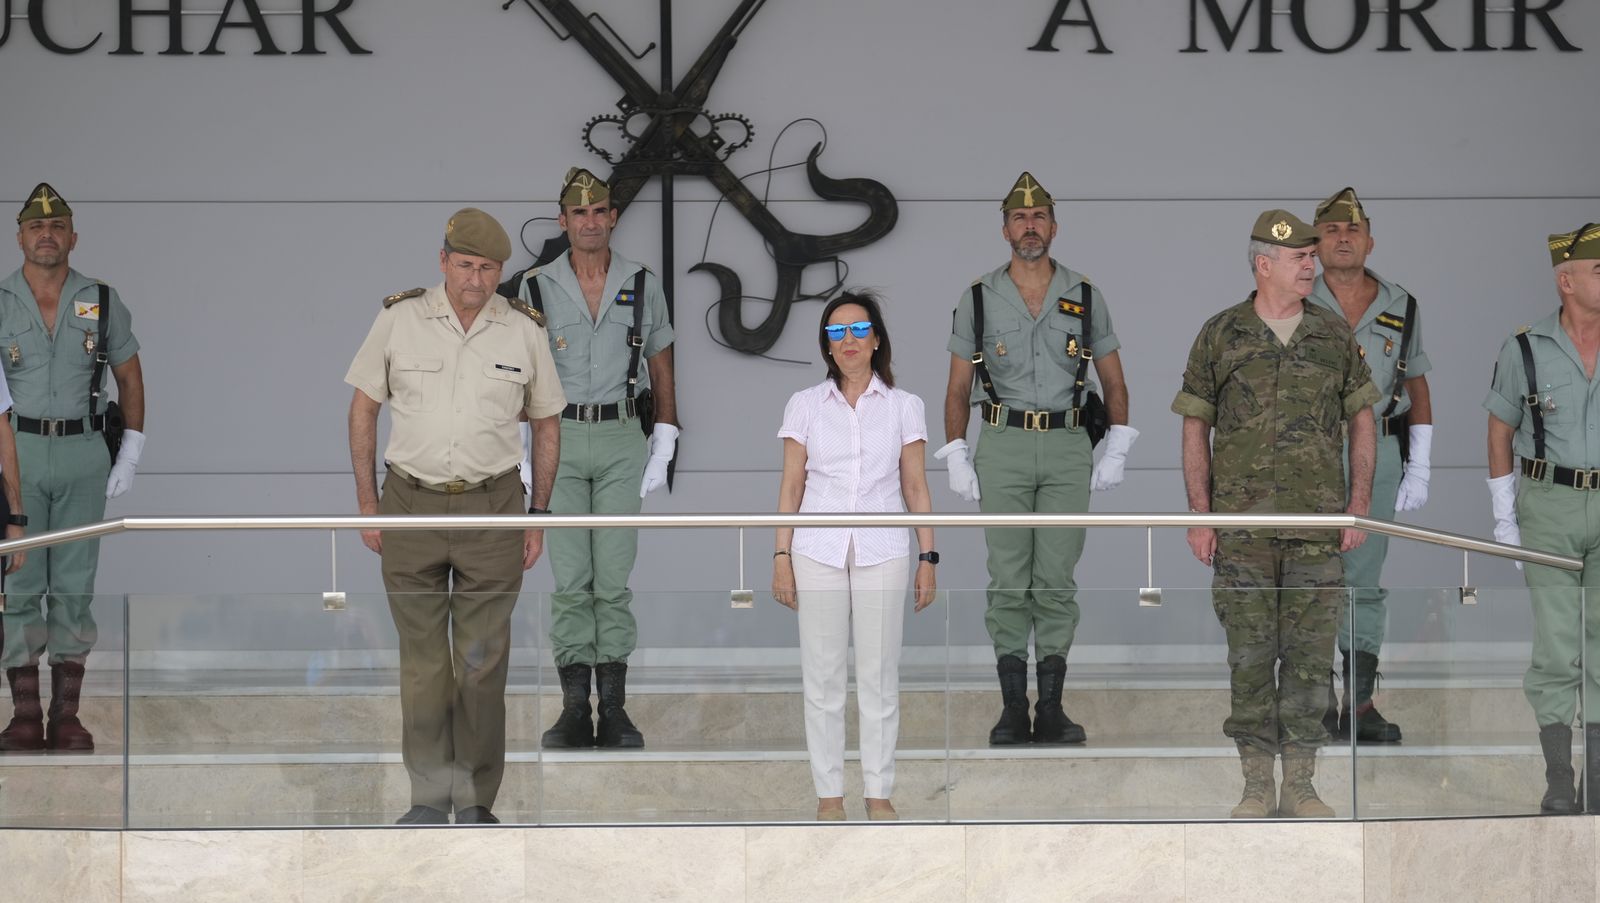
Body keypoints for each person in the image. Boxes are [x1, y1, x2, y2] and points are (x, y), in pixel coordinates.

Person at [345, 208, 564, 825]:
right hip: (408, 503)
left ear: (501, 271)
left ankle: (473, 804)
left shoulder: (522, 330)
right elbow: (362, 412)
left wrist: (538, 514)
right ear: (443, 261)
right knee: (422, 667)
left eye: (488, 268)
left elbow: (546, 423)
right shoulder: (399, 319)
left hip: (493, 508)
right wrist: (368, 505)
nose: (475, 279)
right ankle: (426, 799)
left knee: (480, 665)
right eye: (464, 265)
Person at [1173, 210, 1378, 818]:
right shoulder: (1221, 334)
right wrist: (1200, 515)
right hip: (1244, 533)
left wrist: (1358, 506)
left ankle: (1303, 784)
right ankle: (1257, 784)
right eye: (1300, 258)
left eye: (1312, 256)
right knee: (1251, 660)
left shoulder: (1333, 335)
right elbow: (1195, 426)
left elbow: (1362, 419)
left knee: (1312, 662)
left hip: (1317, 531)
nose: (1312, 265)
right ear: (1265, 264)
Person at [937, 172, 1135, 746]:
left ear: (1054, 226)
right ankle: (1010, 708)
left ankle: (1050, 708)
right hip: (1002, 443)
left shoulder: (1085, 293)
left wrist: (1117, 443)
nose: (1031, 226)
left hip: (1070, 445)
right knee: (1006, 579)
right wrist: (955, 452)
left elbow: (1113, 377)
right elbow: (956, 388)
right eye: (1020, 218)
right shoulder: (978, 296)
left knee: (1055, 578)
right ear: (1005, 230)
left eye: (1040, 217)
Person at [503, 168, 678, 750]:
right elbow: (518, 375)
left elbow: (660, 360)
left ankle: (616, 710)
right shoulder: (532, 287)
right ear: (563, 221)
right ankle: (575, 708)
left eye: (600, 211)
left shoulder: (642, 281)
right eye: (579, 214)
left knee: (615, 577)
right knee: (572, 578)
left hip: (623, 435)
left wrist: (668, 435)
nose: (590, 222)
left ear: (613, 217)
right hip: (558, 437)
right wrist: (520, 447)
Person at [771, 291, 937, 822]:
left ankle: (879, 792)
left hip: (883, 548)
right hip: (815, 548)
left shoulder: (905, 405)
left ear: (877, 338)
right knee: (821, 678)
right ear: (826, 344)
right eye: (836, 332)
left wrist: (928, 556)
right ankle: (828, 795)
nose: (848, 341)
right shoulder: (804, 403)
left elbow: (915, 486)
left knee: (879, 675)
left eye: (858, 329)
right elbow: (791, 484)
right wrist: (780, 554)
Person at [0, 183, 144, 754]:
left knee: (75, 587)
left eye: (57, 226)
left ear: (73, 237)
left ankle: (67, 715)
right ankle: (25, 714)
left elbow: (130, 377)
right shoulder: (0, 299)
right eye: (36, 227)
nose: (46, 235)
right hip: (19, 452)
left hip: (84, 450)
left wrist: (130, 448)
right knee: (19, 582)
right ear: (19, 238)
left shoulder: (102, 299)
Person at [1308, 187, 1433, 744]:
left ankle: (1357, 705)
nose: (1342, 238)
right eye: (1332, 230)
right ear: (1315, 242)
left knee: (1364, 581)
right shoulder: (1294, 295)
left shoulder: (1401, 304)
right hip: (1306, 450)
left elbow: (1416, 381)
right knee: (1310, 577)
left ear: (1369, 240)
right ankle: (1313, 704)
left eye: (1351, 230)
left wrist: (1420, 461)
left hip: (1378, 451)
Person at [1484, 222, 1600, 815]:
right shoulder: (1525, 347)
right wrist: (1504, 514)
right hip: (1548, 504)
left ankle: (1598, 780)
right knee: (1558, 647)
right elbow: (1501, 429)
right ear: (1567, 280)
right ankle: (1560, 775)